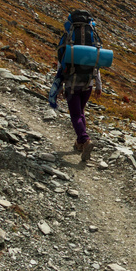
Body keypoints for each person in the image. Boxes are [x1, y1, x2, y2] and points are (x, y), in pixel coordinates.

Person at [48, 12, 102, 162]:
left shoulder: (68, 39)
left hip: (72, 83)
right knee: (81, 112)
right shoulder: (92, 40)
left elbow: (61, 63)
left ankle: (85, 140)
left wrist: (58, 87)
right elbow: (96, 63)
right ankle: (79, 143)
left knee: (75, 115)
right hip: (88, 83)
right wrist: (98, 85)